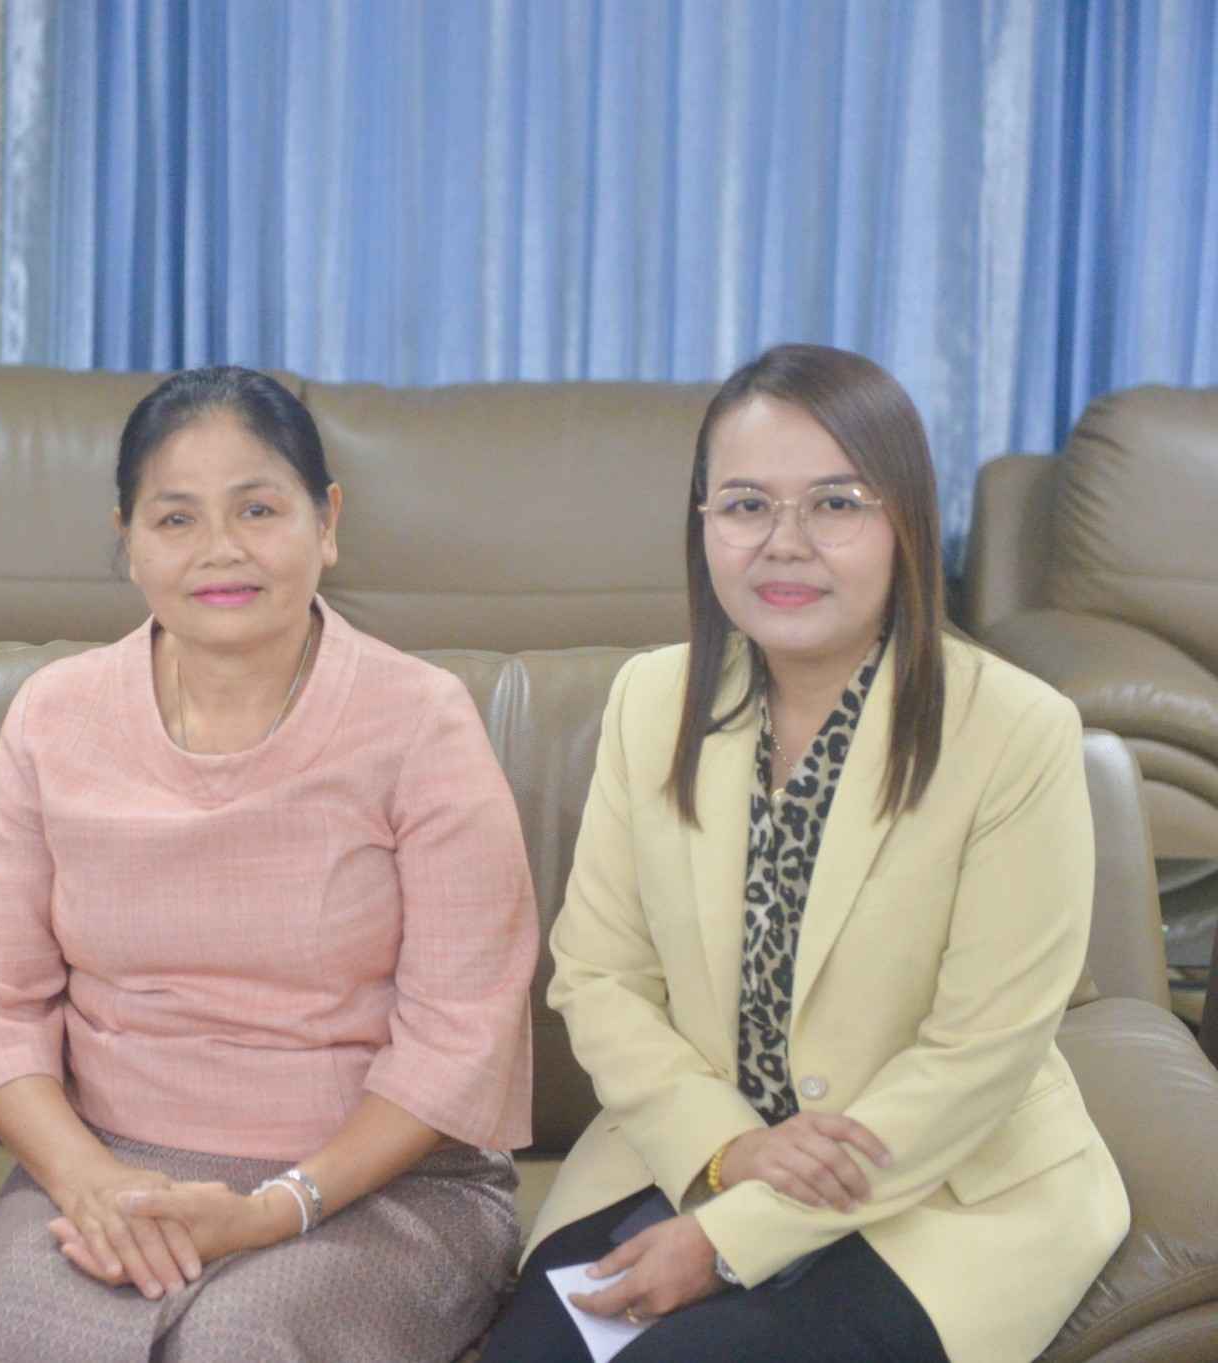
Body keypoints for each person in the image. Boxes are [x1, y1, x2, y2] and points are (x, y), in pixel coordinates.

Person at [0, 365, 541, 1363]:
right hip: (108, 1163)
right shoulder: (56, 713)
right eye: (175, 518)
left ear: (327, 522)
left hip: (378, 1181)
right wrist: (88, 1180)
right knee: (23, 1339)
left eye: (258, 509)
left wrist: (277, 1206)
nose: (220, 549)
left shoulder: (420, 721)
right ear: (128, 540)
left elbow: (461, 1029)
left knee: (238, 1340)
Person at [481, 344, 1129, 1363]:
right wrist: (729, 1148)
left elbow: (978, 1055)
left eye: (835, 504)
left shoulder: (1015, 730)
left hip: (933, 1190)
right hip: (699, 1152)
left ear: (905, 521)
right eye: (745, 505)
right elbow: (599, 977)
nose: (785, 544)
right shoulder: (651, 701)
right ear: (702, 521)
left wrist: (727, 1238)